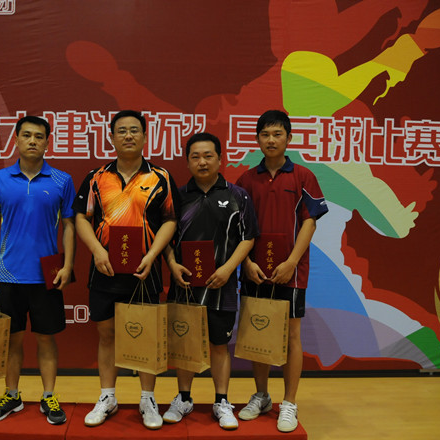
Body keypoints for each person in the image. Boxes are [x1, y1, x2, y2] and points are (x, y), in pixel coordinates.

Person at [73, 110, 179, 430]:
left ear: (145, 136)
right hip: (104, 269)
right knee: (107, 334)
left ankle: (148, 398)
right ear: (111, 137)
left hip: (144, 271)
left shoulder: (160, 177)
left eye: (135, 130)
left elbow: (170, 220)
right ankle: (108, 396)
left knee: (145, 336)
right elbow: (81, 218)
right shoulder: (96, 177)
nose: (128, 135)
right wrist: (97, 251)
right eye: (122, 131)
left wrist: (153, 255)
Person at [235, 110, 328, 432]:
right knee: (258, 331)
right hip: (255, 271)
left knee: (291, 336)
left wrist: (291, 263)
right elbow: (240, 228)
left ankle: (289, 402)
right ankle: (261, 395)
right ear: (257, 139)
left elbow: (310, 222)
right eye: (265, 134)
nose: (271, 140)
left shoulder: (303, 176)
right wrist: (246, 263)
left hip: (292, 272)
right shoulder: (246, 180)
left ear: (289, 138)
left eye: (277, 134)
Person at [0, 115, 76, 425]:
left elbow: (69, 225)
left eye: (39, 136)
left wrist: (68, 265)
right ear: (17, 140)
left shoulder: (61, 180)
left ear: (48, 142)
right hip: (7, 273)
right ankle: (12, 395)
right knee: (13, 339)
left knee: (46, 339)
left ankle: (49, 395)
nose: (32, 141)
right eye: (26, 135)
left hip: (47, 274)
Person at [161, 132, 258, 430]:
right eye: (195, 157)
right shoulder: (177, 196)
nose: (202, 162)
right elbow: (165, 238)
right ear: (187, 162)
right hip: (185, 286)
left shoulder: (238, 196)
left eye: (208, 156)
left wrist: (228, 269)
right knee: (185, 343)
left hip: (221, 286)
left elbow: (248, 237)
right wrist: (172, 264)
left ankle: (221, 401)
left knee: (219, 344)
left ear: (220, 159)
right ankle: (184, 398)